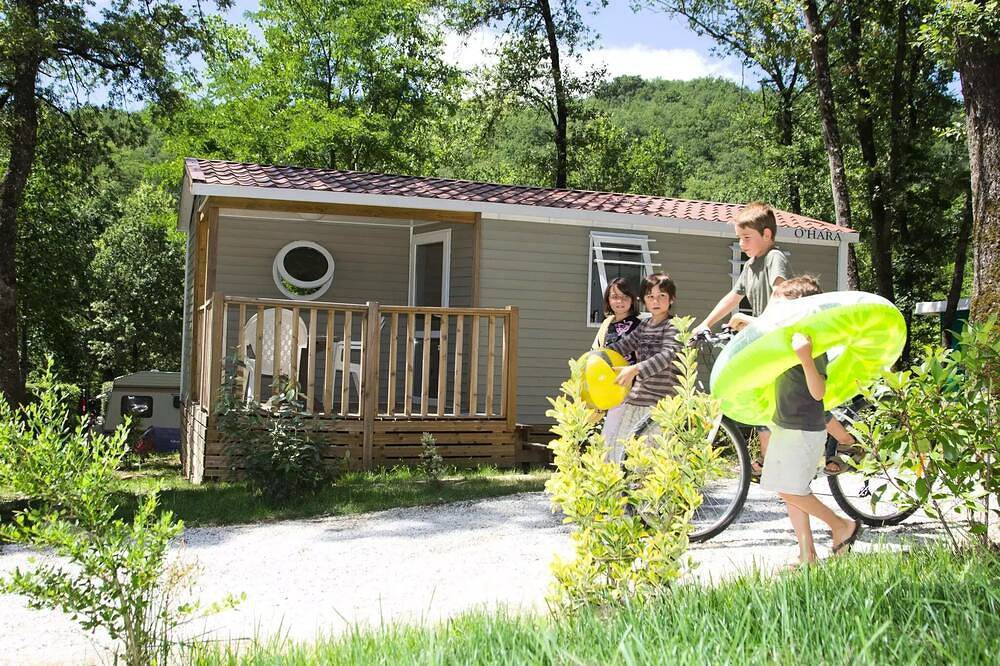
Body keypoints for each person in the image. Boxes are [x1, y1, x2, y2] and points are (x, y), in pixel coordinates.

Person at [693, 202, 855, 476]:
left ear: (767, 234)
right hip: (768, 341)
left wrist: (753, 323)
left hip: (788, 339)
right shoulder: (751, 265)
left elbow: (780, 297)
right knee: (764, 396)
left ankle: (847, 442)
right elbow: (733, 297)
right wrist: (706, 323)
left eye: (747, 237)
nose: (742, 244)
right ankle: (768, 460)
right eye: (739, 238)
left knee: (803, 399)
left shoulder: (774, 258)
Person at [758, 276, 863, 565]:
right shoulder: (786, 339)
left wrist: (805, 357)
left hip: (804, 429)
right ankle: (807, 555)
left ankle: (842, 526)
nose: (775, 312)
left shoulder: (810, 343)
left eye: (781, 307)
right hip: (785, 424)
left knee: (791, 490)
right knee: (791, 492)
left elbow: (818, 392)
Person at [601, 273, 682, 463]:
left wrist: (636, 369)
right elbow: (624, 345)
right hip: (637, 398)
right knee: (620, 448)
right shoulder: (645, 325)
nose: (655, 301)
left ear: (672, 299)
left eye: (662, 296)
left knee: (654, 455)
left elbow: (667, 355)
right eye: (650, 296)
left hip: (660, 402)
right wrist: (600, 356)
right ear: (644, 300)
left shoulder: (673, 327)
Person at [594, 279, 643, 463]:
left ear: (632, 300)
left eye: (624, 297)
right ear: (608, 299)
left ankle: (608, 470)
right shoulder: (607, 324)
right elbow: (596, 353)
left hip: (629, 389)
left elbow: (642, 358)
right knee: (613, 434)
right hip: (609, 388)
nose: (619, 301)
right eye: (614, 297)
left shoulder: (639, 326)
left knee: (613, 435)